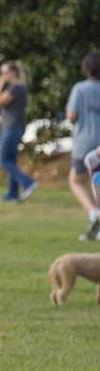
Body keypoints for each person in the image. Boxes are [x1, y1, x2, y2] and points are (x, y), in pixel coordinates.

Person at [66, 50, 100, 240]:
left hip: (84, 143)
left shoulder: (80, 89)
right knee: (98, 180)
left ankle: (94, 213)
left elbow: (71, 115)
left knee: (77, 180)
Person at [0, 60, 36, 203]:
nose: (2, 76)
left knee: (3, 160)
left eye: (4, 73)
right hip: (11, 126)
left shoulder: (16, 88)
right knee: (10, 160)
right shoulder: (14, 87)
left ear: (13, 73)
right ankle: (12, 193)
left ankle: (28, 182)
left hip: (12, 127)